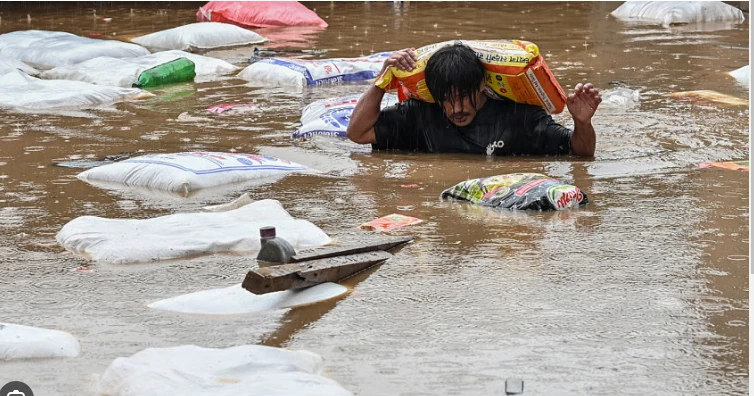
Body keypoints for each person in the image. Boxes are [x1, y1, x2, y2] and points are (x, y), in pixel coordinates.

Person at [346, 43, 601, 157]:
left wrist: (582, 124)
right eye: (446, 100)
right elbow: (358, 133)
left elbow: (580, 153)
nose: (456, 109)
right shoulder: (420, 114)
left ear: (482, 86)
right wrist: (382, 80)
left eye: (462, 97)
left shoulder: (519, 117)